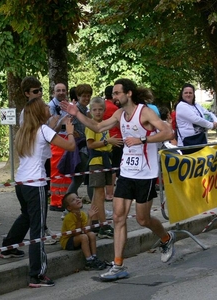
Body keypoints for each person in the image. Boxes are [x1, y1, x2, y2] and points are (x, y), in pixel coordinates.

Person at [61, 78, 176, 281]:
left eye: (116, 93)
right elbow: (97, 128)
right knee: (118, 218)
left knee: (142, 219)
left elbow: (168, 132)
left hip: (146, 174)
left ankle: (166, 238)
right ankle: (118, 265)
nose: (113, 97)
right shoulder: (119, 114)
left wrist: (142, 139)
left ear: (128, 93)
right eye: (113, 93)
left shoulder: (144, 112)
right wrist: (76, 113)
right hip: (126, 172)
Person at [0, 97, 75, 288]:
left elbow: (47, 138)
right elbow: (70, 146)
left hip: (21, 182)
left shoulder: (25, 131)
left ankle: (8, 246)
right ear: (40, 112)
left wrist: (56, 125)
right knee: (37, 228)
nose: (49, 109)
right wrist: (71, 132)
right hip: (36, 183)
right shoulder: (43, 130)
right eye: (45, 107)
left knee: (26, 216)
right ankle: (37, 274)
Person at [20, 76, 59, 245]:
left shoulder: (41, 121)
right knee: (34, 216)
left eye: (41, 90)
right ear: (27, 94)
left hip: (31, 171)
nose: (40, 94)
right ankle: (37, 268)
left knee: (28, 214)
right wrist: (62, 129)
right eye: (36, 91)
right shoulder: (27, 114)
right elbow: (41, 134)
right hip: (34, 176)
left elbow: (43, 135)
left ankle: (9, 244)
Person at [85, 97, 123, 239]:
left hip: (105, 159)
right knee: (100, 193)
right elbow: (90, 145)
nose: (98, 112)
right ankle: (103, 225)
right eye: (94, 109)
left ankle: (94, 222)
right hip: (96, 161)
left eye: (100, 109)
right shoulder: (91, 125)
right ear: (91, 111)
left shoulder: (104, 125)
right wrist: (107, 141)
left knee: (97, 194)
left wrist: (111, 144)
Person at [60, 192, 106, 270]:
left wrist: (90, 218)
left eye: (77, 197)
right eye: (73, 200)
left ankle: (94, 257)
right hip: (68, 241)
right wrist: (78, 221)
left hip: (79, 237)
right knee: (83, 237)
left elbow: (86, 230)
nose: (77, 200)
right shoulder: (69, 217)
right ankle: (89, 261)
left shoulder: (82, 214)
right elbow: (76, 233)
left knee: (91, 234)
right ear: (69, 208)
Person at [66, 84, 93, 200]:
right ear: (78, 96)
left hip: (85, 149)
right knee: (88, 178)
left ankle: (68, 206)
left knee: (80, 179)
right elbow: (67, 125)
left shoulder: (86, 110)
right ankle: (95, 207)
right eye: (84, 96)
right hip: (82, 150)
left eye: (89, 96)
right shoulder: (75, 111)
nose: (87, 99)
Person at [48, 82, 72, 211]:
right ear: (54, 92)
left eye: (63, 90)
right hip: (57, 141)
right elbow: (51, 127)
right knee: (57, 172)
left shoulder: (67, 105)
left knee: (66, 171)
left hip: (66, 139)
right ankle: (56, 201)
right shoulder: (51, 106)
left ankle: (66, 200)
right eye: (58, 90)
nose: (61, 92)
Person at [103, 86, 123, 201]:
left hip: (104, 139)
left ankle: (107, 192)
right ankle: (110, 193)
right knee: (115, 167)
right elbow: (120, 125)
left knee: (107, 166)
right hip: (117, 139)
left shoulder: (101, 106)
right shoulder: (115, 109)